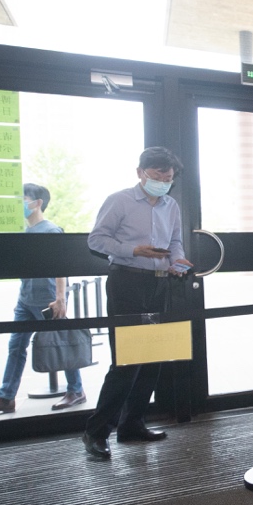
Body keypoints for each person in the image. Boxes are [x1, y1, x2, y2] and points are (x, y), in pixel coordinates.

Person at [82, 147, 190, 460]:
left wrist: (178, 261)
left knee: (153, 358)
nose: (163, 182)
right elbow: (96, 240)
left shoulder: (171, 205)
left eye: (168, 179)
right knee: (126, 362)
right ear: (140, 172)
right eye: (158, 176)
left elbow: (175, 242)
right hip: (126, 282)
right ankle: (96, 432)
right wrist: (134, 250)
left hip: (160, 284)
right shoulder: (120, 201)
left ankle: (132, 425)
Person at [0, 183, 86, 414]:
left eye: (23, 199)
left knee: (61, 344)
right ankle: (6, 397)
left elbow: (61, 265)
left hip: (47, 299)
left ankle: (76, 390)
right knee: (16, 346)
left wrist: (60, 298)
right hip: (25, 300)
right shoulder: (24, 232)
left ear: (37, 203)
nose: (18, 204)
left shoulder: (51, 231)